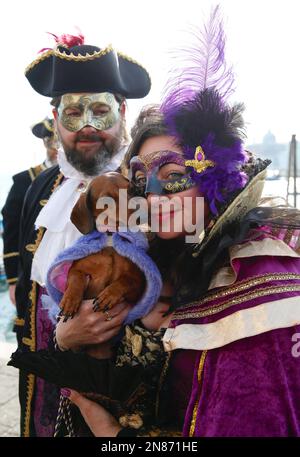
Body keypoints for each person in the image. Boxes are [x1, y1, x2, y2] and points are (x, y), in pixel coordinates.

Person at [59, 9, 300, 437]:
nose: (151, 197)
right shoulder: (156, 255)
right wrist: (69, 338)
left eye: (173, 177)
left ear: (214, 178)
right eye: (140, 181)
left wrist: (118, 440)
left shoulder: (258, 284)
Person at [15, 31, 151, 437]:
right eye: (73, 113)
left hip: (122, 399)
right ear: (56, 119)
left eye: (99, 110)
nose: (87, 126)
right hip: (43, 386)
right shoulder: (42, 190)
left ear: (123, 112)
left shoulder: (149, 186)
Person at [1, 117, 57, 308]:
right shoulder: (25, 180)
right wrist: (12, 281)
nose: (57, 149)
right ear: (45, 143)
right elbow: (10, 232)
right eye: (52, 143)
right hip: (31, 275)